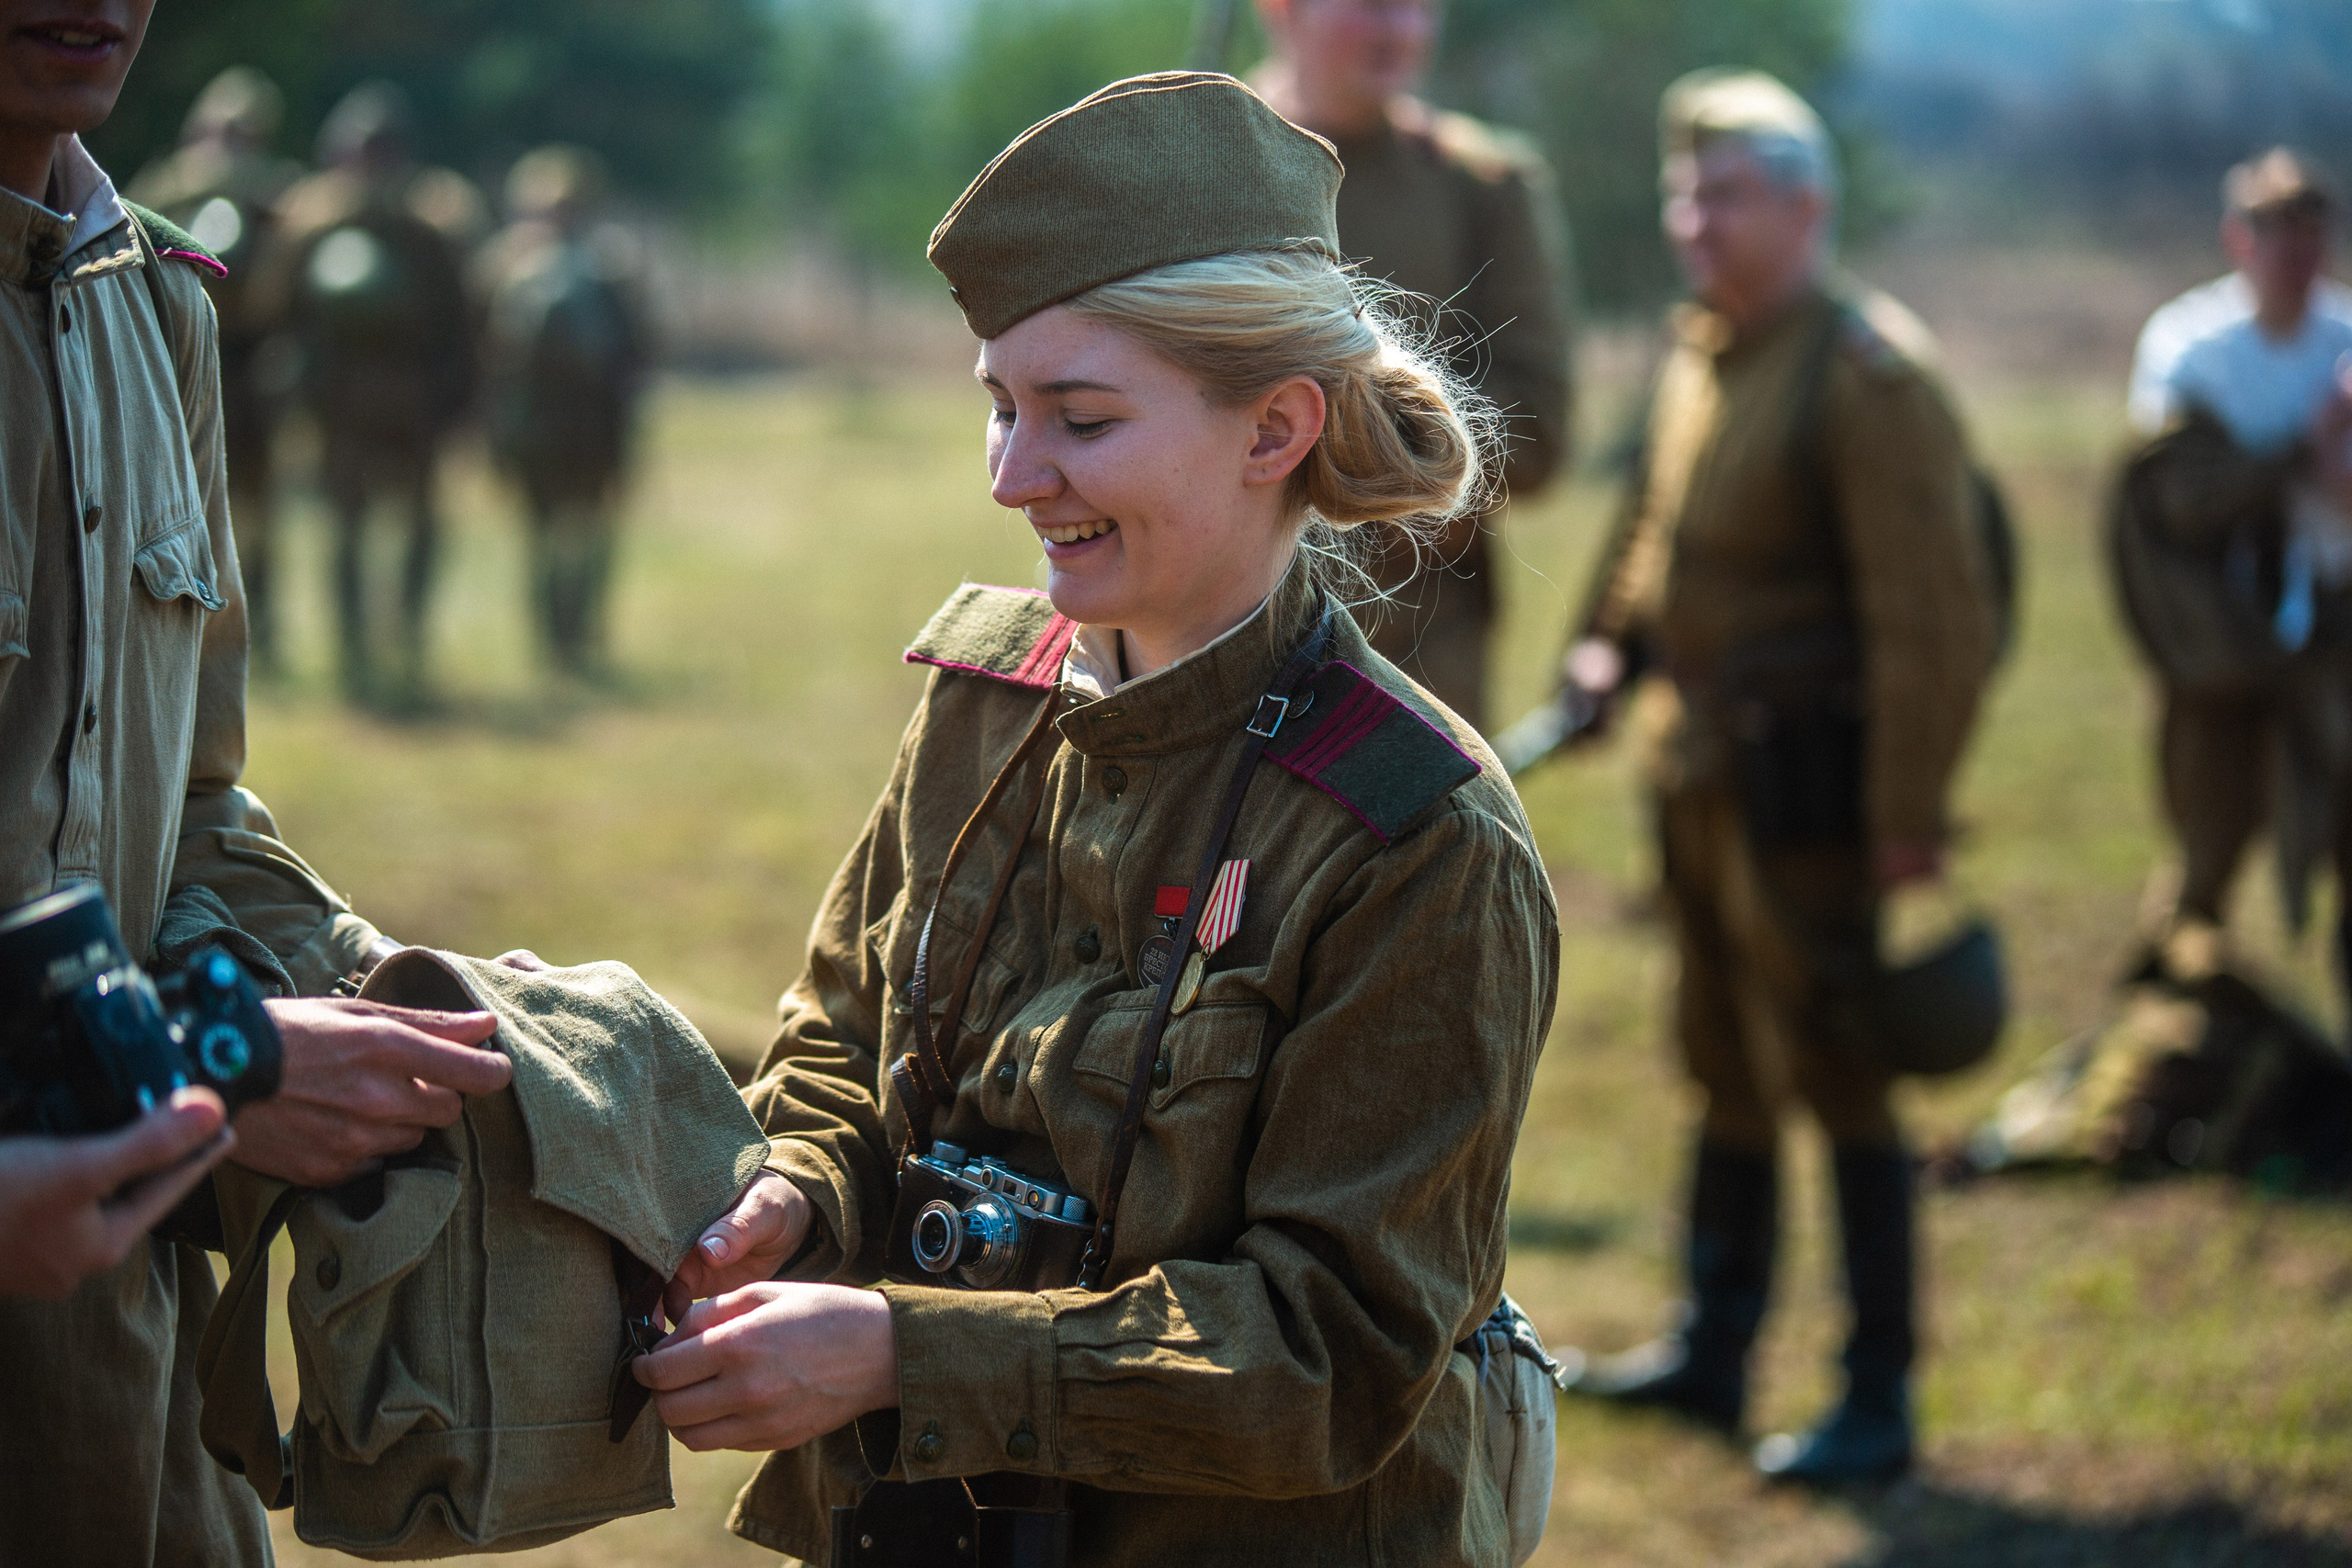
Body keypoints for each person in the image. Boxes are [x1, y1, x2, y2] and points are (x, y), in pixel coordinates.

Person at [631, 73, 1559, 1566]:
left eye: (1080, 417)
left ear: (1274, 430)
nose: (1011, 476)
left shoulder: (1420, 834)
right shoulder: (983, 709)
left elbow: (1334, 1353)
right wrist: (802, 1196)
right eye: (999, 409)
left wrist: (898, 1357)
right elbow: (838, 1043)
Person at [0, 7, 516, 1561]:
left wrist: (368, 1001)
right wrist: (219, 1057)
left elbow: (193, 816)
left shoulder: (156, 305)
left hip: (136, 1370)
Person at [1550, 71, 2000, 1483]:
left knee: (1840, 1069)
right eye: (1686, 193)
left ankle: (1878, 1392)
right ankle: (1713, 1343)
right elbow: (1656, 534)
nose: (1694, 220)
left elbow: (1937, 617)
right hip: (1698, 776)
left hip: (1816, 793)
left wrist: (1907, 817)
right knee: (1719, 1057)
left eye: (1726, 194)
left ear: (1808, 207)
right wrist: (1607, 648)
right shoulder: (1707, 352)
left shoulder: (1868, 373)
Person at [1253, 0, 1573, 731]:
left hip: (1419, 654)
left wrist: (1341, 454)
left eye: (1419, 5)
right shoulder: (1196, 164)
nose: (1400, 29)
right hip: (1216, 626)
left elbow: (1538, 429)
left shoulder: (1482, 185)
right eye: (1372, 4)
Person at [2121, 149, 2352, 994]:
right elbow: (2175, 496)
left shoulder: (2346, 339)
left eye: (2312, 240)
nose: (2297, 260)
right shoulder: (2193, 350)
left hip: (2334, 624)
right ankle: (2171, 1031)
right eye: (2277, 238)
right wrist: (2306, 444)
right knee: (2209, 837)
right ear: (2238, 240)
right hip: (2223, 632)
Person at [264, 81, 482, 703]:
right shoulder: (310, 221)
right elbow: (278, 310)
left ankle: (408, 640)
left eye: (383, 149)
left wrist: (460, 400)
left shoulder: (434, 222)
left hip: (414, 398)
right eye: (362, 149)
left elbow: (461, 320)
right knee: (345, 524)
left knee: (419, 523)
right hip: (341, 403)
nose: (372, 161)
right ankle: (353, 646)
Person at [125, 66, 304, 670]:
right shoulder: (168, 188)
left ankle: (260, 626)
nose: (230, 146)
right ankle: (177, 624)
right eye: (222, 131)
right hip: (177, 359)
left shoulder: (278, 197)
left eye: (243, 134)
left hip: (250, 360)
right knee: (174, 503)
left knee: (257, 505)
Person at [478, 145, 650, 678]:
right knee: (540, 536)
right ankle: (549, 644)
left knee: (588, 534)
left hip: (591, 428)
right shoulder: (504, 269)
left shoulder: (608, 271)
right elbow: (484, 354)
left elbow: (635, 351)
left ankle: (582, 636)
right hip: (534, 429)